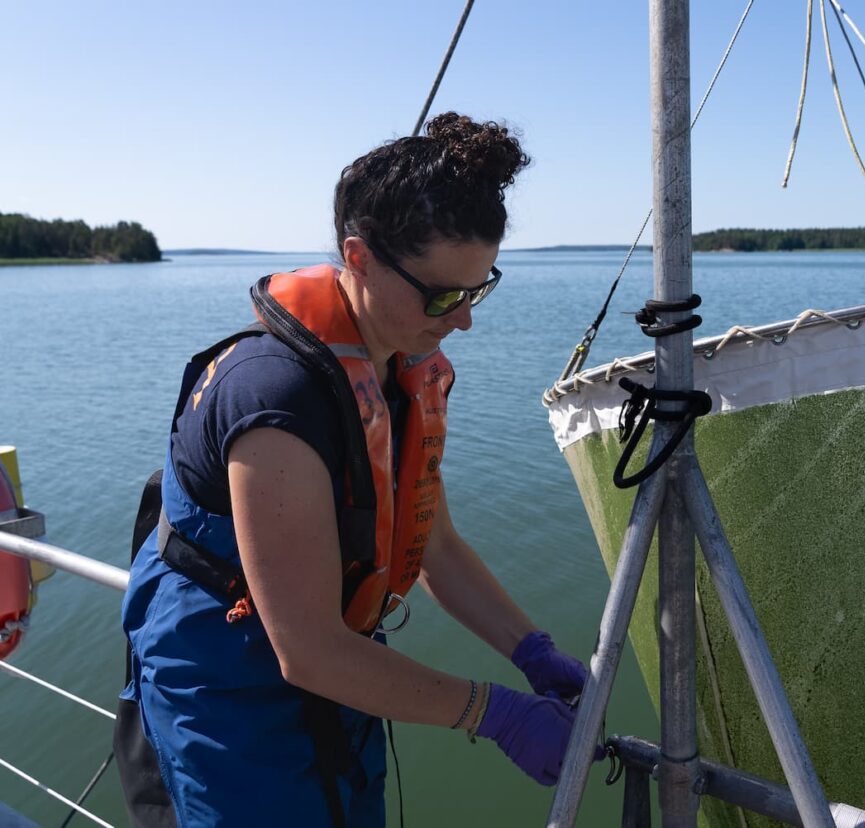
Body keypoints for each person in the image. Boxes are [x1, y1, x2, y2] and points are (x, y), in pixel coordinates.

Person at [116, 113, 593, 827]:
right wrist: (494, 714)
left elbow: (435, 545)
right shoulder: (274, 399)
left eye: (479, 289)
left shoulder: (402, 370)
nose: (464, 319)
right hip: (227, 697)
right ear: (359, 257)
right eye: (443, 295)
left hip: (342, 677)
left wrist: (530, 649)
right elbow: (308, 650)